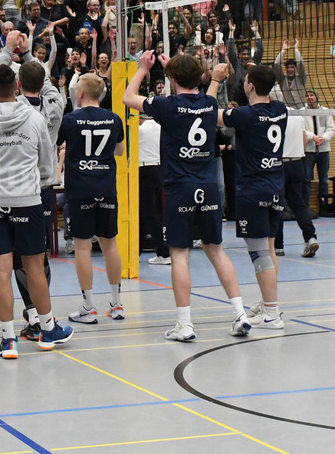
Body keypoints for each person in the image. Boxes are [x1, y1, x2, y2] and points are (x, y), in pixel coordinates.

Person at [123, 52, 251, 341]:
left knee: (179, 254)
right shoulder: (208, 104)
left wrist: (144, 69)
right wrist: (203, 76)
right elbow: (206, 93)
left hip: (180, 188)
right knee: (215, 249)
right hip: (209, 187)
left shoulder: (167, 106)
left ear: (171, 80)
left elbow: (128, 98)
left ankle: (185, 324)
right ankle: (240, 314)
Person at [0, 63, 73, 361]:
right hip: (27, 200)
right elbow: (48, 167)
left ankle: (8, 339)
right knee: (34, 265)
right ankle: (47, 328)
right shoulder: (35, 119)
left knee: (2, 269)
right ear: (19, 86)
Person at [208, 63, 287, 328]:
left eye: (247, 80)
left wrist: (216, 80)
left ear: (250, 85)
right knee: (269, 247)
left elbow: (208, 112)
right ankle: (268, 303)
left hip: (253, 190)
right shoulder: (280, 110)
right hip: (275, 188)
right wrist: (263, 73)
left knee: (258, 252)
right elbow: (269, 94)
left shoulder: (243, 115)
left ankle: (273, 314)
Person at [58, 73, 126, 324]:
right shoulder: (114, 119)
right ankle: (117, 304)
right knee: (110, 244)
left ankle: (88, 306)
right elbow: (119, 151)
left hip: (80, 189)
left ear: (80, 94)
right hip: (106, 187)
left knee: (83, 247)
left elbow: (57, 143)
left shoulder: (71, 120)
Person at [276, 109, 319, 258]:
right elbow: (304, 140)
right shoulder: (297, 115)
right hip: (297, 163)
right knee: (299, 204)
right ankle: (310, 237)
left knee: (277, 205)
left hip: (278, 164)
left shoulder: (271, 113)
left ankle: (278, 246)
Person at [139, 115, 170, 265]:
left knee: (149, 214)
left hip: (143, 170)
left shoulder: (139, 130)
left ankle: (164, 252)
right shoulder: (160, 128)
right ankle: (137, 250)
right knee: (149, 213)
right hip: (158, 170)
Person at [304, 90, 333, 215]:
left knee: (324, 179)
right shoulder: (301, 112)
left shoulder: (325, 110)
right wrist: (313, 137)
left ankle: (323, 207)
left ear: (316, 97)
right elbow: (302, 129)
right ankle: (305, 207)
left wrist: (323, 138)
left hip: (323, 150)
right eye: (307, 96)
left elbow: (331, 128)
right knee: (306, 179)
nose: (309, 97)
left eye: (311, 95)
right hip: (309, 150)